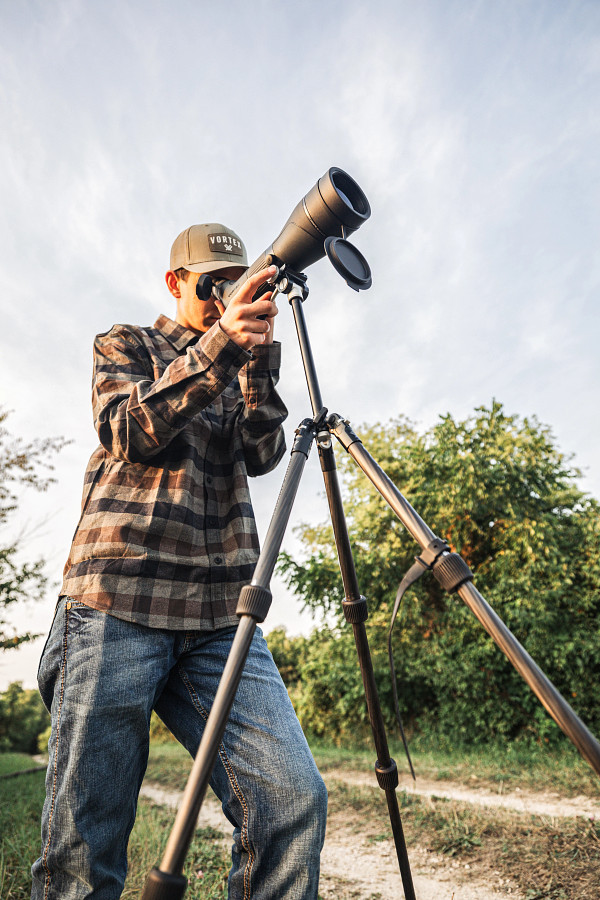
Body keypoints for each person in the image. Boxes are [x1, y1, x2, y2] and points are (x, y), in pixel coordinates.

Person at [31, 223, 328, 900]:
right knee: (85, 841)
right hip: (118, 601)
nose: (224, 294)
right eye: (211, 284)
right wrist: (221, 345)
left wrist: (256, 361)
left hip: (221, 616)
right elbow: (128, 429)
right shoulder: (127, 342)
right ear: (175, 282)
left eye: (236, 281)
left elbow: (262, 454)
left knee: (290, 800)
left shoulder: (240, 357)